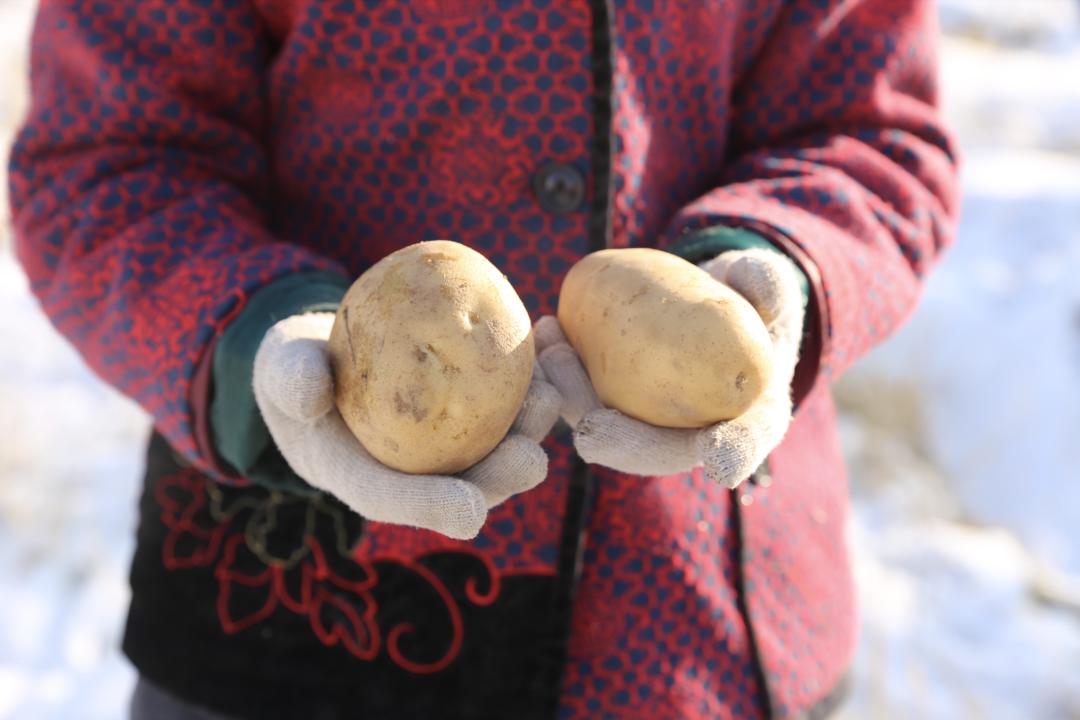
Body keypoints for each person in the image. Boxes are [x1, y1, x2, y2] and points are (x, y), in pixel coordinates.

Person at [8, 0, 959, 718]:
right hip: (295, 632)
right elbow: (104, 164)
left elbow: (871, 128)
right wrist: (250, 340)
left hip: (703, 627)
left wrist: (780, 264)